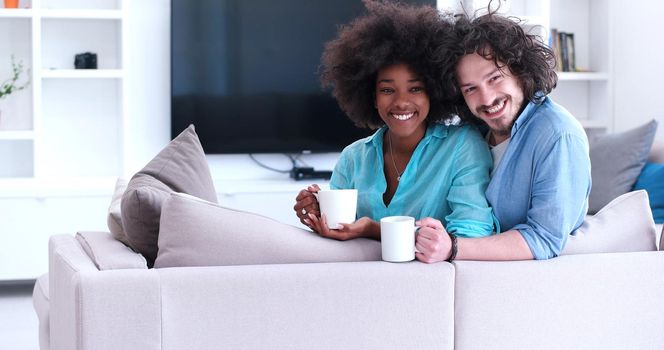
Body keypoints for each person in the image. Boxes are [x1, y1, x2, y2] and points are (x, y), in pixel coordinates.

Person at [293, 1, 497, 242]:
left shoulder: (461, 147)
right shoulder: (353, 159)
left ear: (433, 91)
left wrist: (374, 229)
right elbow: (341, 233)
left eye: (415, 89)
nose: (401, 102)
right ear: (372, 96)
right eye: (388, 90)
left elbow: (471, 233)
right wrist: (319, 215)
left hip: (433, 278)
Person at [414, 7, 592, 263]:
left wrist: (453, 247)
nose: (486, 98)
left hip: (521, 285)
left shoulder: (558, 135)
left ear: (520, 71)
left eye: (495, 78)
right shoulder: (472, 133)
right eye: (470, 88)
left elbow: (544, 238)